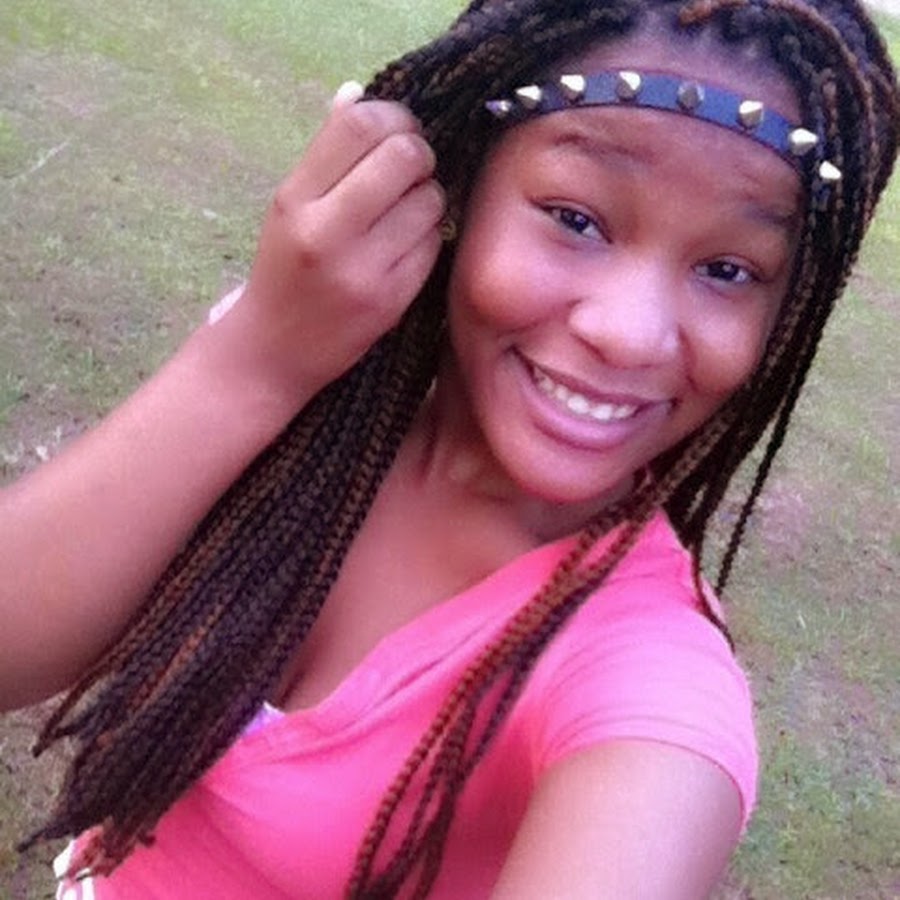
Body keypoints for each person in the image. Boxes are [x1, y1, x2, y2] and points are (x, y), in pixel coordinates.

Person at [1, 0, 897, 896]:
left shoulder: (651, 681)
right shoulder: (307, 385)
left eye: (727, 270)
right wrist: (254, 361)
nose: (630, 332)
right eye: (576, 218)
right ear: (462, 184)